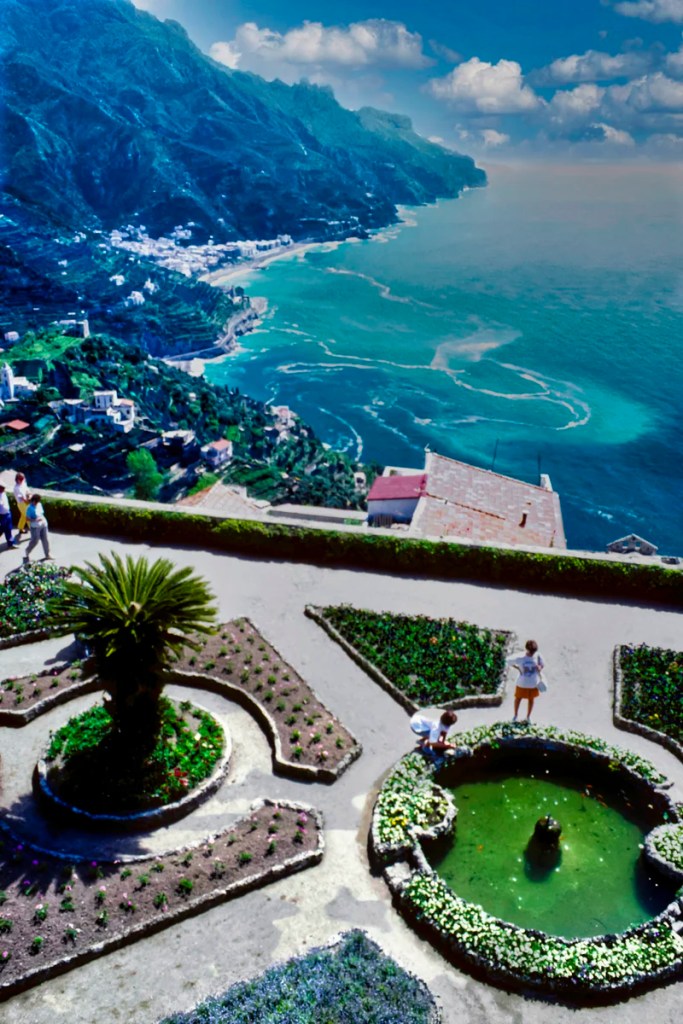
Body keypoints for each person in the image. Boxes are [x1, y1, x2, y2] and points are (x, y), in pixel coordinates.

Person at [509, 639, 545, 723]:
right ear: (527, 649)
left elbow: (542, 663)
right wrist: (518, 668)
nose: (532, 653)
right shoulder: (521, 657)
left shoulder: (538, 655)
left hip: (533, 683)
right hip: (522, 683)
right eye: (531, 651)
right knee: (518, 699)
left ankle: (528, 716)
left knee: (531, 699)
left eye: (533, 651)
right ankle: (515, 715)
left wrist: (540, 667)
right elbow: (509, 661)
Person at [24, 494, 51, 562]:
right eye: (35, 502)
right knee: (35, 541)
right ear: (32, 501)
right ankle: (27, 551)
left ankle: (47, 554)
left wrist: (41, 519)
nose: (36, 503)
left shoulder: (39, 505)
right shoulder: (29, 508)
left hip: (43, 524)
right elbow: (27, 519)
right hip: (35, 526)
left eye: (37, 502)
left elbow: (41, 513)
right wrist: (35, 520)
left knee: (45, 539)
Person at [0, 484, 19, 549]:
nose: (4, 489)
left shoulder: (3, 493)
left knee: (8, 529)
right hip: (2, 515)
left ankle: (11, 543)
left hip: (7, 514)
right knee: (2, 529)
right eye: (2, 488)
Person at [13, 472, 30, 537]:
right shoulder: (17, 488)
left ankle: (20, 528)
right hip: (22, 504)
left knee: (23, 516)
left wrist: (29, 494)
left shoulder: (23, 482)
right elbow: (23, 499)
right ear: (17, 480)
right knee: (28, 516)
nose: (24, 479)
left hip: (25, 502)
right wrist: (29, 501)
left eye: (23, 477)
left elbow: (27, 490)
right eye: (22, 478)